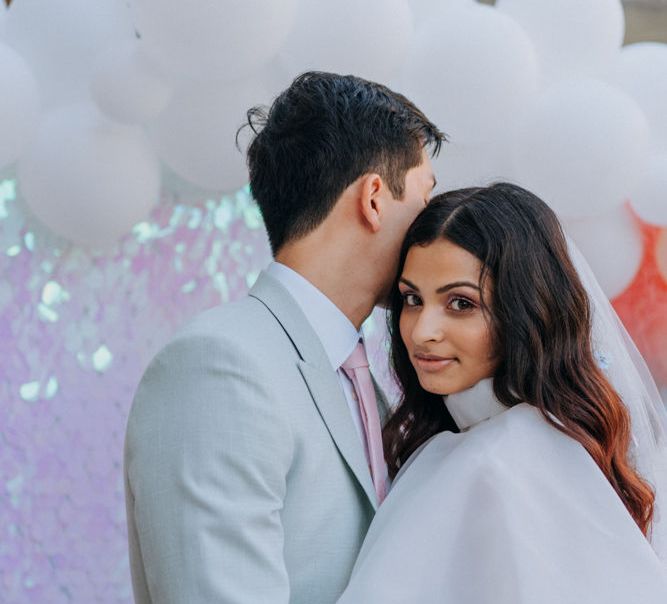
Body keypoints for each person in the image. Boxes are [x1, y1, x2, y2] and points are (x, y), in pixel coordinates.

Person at [123, 71, 445, 603]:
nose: (436, 227)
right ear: (373, 198)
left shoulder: (377, 385)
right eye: (426, 195)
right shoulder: (218, 367)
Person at [338, 183, 667, 603]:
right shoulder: (472, 445)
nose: (422, 332)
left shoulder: (505, 458)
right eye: (412, 299)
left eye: (460, 303)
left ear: (524, 310)